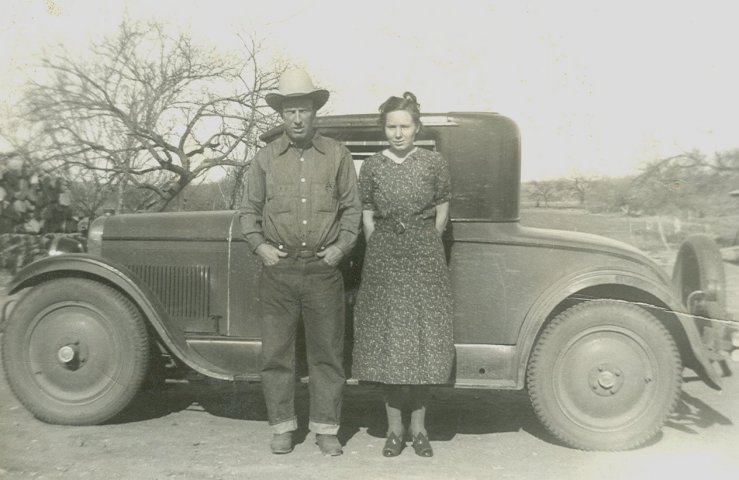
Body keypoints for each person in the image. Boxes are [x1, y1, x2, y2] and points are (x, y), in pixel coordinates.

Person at [240, 69, 361, 456]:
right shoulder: (265, 158)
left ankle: (327, 429)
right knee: (277, 354)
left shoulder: (337, 155)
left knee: (327, 354)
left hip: (324, 271)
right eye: (290, 110)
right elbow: (248, 211)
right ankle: (282, 427)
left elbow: (352, 211)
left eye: (303, 110)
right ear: (281, 114)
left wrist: (339, 250)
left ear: (314, 112)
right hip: (279, 270)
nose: (296, 118)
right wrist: (260, 246)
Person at [352, 92, 455, 457]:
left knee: (423, 343)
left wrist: (425, 239)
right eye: (391, 126)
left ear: (416, 128)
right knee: (390, 343)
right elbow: (366, 212)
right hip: (384, 261)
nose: (398, 133)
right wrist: (380, 244)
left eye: (404, 126)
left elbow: (442, 207)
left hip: (424, 260)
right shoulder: (373, 166)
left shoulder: (433, 163)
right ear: (384, 129)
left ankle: (420, 430)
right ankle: (394, 431)